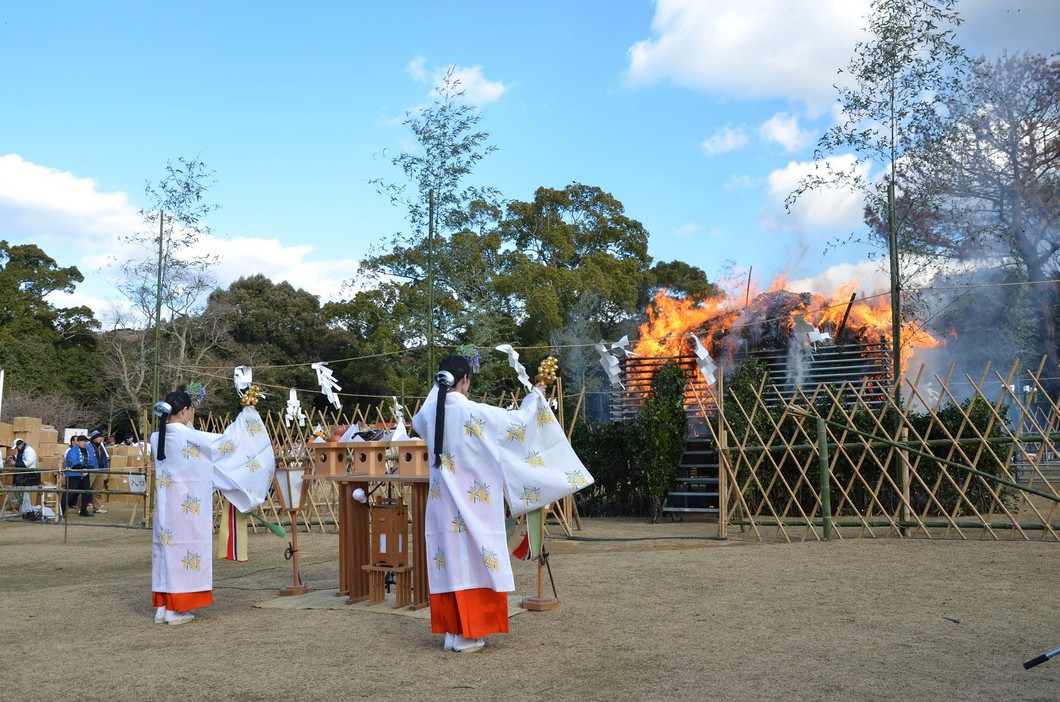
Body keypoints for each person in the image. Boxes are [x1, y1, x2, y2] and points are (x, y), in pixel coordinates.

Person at [411, 355, 594, 653]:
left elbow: (420, 418)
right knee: (475, 563)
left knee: (451, 566)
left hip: (442, 505)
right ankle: (468, 634)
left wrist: (440, 384)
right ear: (466, 380)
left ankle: (453, 632)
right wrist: (536, 397)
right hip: (472, 504)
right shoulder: (474, 412)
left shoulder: (429, 413)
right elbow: (519, 425)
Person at [150, 388, 275, 626]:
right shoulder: (189, 437)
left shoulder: (157, 437)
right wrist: (247, 415)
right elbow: (227, 445)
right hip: (188, 507)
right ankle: (176, 610)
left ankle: (164, 606)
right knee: (185, 553)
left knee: (166, 553)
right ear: (185, 410)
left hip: (166, 507)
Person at [9, 438, 39, 517]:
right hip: (21, 475)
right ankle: (24, 510)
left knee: (25, 494)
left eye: (16, 447)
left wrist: (15, 463)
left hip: (29, 475)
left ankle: (27, 511)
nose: (16, 449)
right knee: (21, 494)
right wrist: (13, 458)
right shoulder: (21, 451)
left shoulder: (29, 451)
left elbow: (28, 463)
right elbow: (17, 457)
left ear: (21, 444)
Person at [63, 435, 92, 516]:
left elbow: (91, 461)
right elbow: (73, 462)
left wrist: (90, 466)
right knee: (69, 493)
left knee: (86, 493)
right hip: (74, 474)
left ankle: (84, 510)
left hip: (85, 474)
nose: (84, 443)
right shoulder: (72, 450)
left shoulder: (87, 451)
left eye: (86, 441)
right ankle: (62, 510)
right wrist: (83, 467)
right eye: (82, 441)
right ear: (78, 442)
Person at [85, 429, 110, 515]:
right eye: (98, 437)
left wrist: (106, 469)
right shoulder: (88, 446)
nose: (100, 439)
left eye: (101, 437)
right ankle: (81, 507)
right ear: (94, 438)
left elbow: (105, 458)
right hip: (91, 470)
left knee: (98, 490)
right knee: (86, 489)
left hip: (100, 470)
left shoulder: (101, 446)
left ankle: (97, 507)